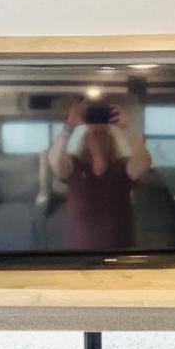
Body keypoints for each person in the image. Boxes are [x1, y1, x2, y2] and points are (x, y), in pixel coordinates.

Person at [47, 100, 152, 250]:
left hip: (121, 253)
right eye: (92, 135)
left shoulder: (122, 167)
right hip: (81, 253)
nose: (97, 138)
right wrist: (69, 127)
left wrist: (126, 127)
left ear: (112, 139)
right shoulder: (74, 166)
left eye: (104, 135)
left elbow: (144, 162)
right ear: (84, 140)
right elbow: (54, 159)